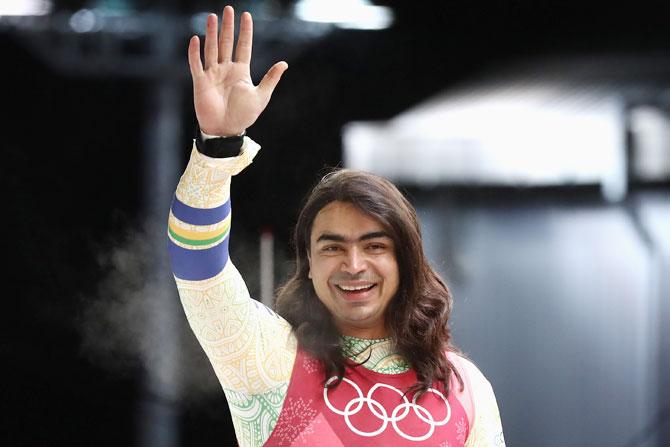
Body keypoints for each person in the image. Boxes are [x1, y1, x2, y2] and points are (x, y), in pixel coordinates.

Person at [168, 5, 505, 446]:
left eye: (374, 245)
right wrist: (216, 147)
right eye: (331, 247)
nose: (353, 263)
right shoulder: (270, 359)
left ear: (406, 259)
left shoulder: (466, 388)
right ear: (307, 263)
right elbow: (199, 272)